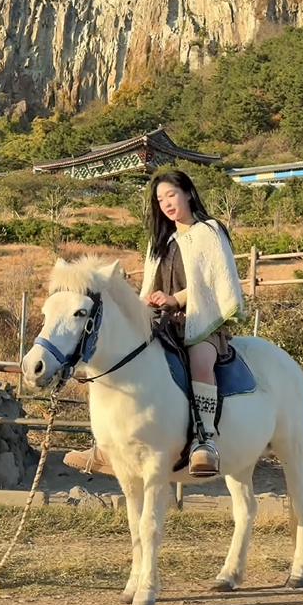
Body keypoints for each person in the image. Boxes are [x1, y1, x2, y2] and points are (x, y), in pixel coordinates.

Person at [63, 169, 246, 478]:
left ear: (188, 193)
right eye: (160, 199)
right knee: (120, 359)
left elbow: (215, 284)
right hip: (163, 323)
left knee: (201, 360)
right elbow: (152, 283)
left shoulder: (210, 231)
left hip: (200, 321)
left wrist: (175, 299)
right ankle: (105, 444)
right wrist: (147, 302)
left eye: (171, 195)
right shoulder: (161, 240)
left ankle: (205, 442)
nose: (166, 203)